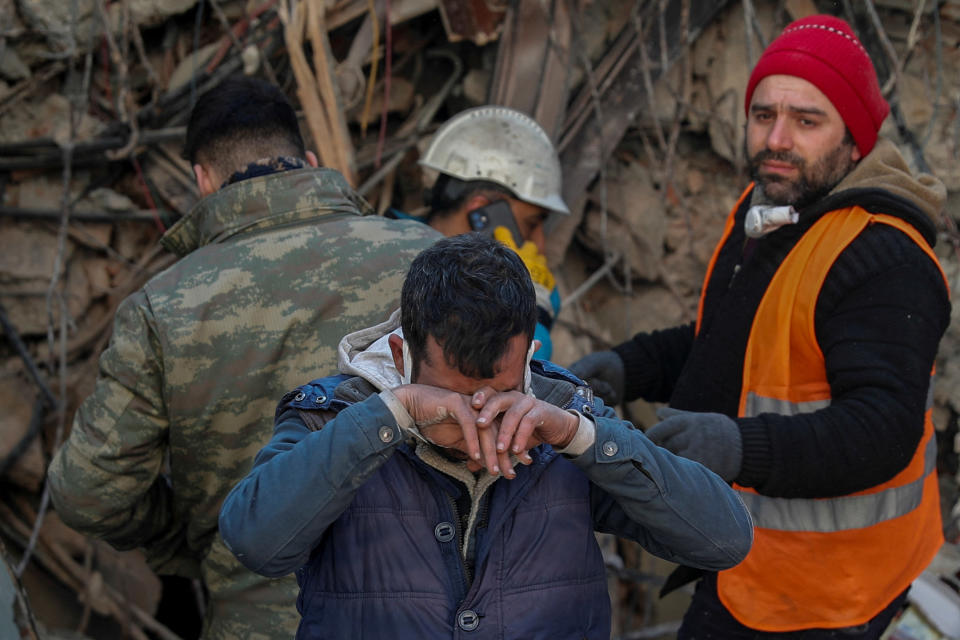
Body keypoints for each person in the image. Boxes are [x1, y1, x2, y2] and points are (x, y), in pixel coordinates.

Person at [570, 14, 951, 639]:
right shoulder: (772, 212)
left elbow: (883, 430)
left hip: (826, 589)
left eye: (807, 120)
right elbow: (735, 345)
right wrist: (627, 366)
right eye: (763, 114)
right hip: (748, 552)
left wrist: (736, 446)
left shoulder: (883, 256)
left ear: (854, 138)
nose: (776, 138)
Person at [47, 76, 439, 639]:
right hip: (438, 615)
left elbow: (87, 491)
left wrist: (201, 537)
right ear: (307, 160)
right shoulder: (429, 258)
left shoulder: (164, 307)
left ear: (203, 181)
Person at [218, 233, 754, 639]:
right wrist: (389, 418)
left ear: (527, 358)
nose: (477, 421)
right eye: (450, 397)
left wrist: (582, 439)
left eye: (495, 395)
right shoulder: (337, 416)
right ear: (403, 355)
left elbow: (723, 539)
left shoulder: (564, 414)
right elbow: (256, 540)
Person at [391, 105, 567, 359]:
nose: (539, 245)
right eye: (531, 224)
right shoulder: (404, 271)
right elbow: (517, 374)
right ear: (482, 213)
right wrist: (534, 311)